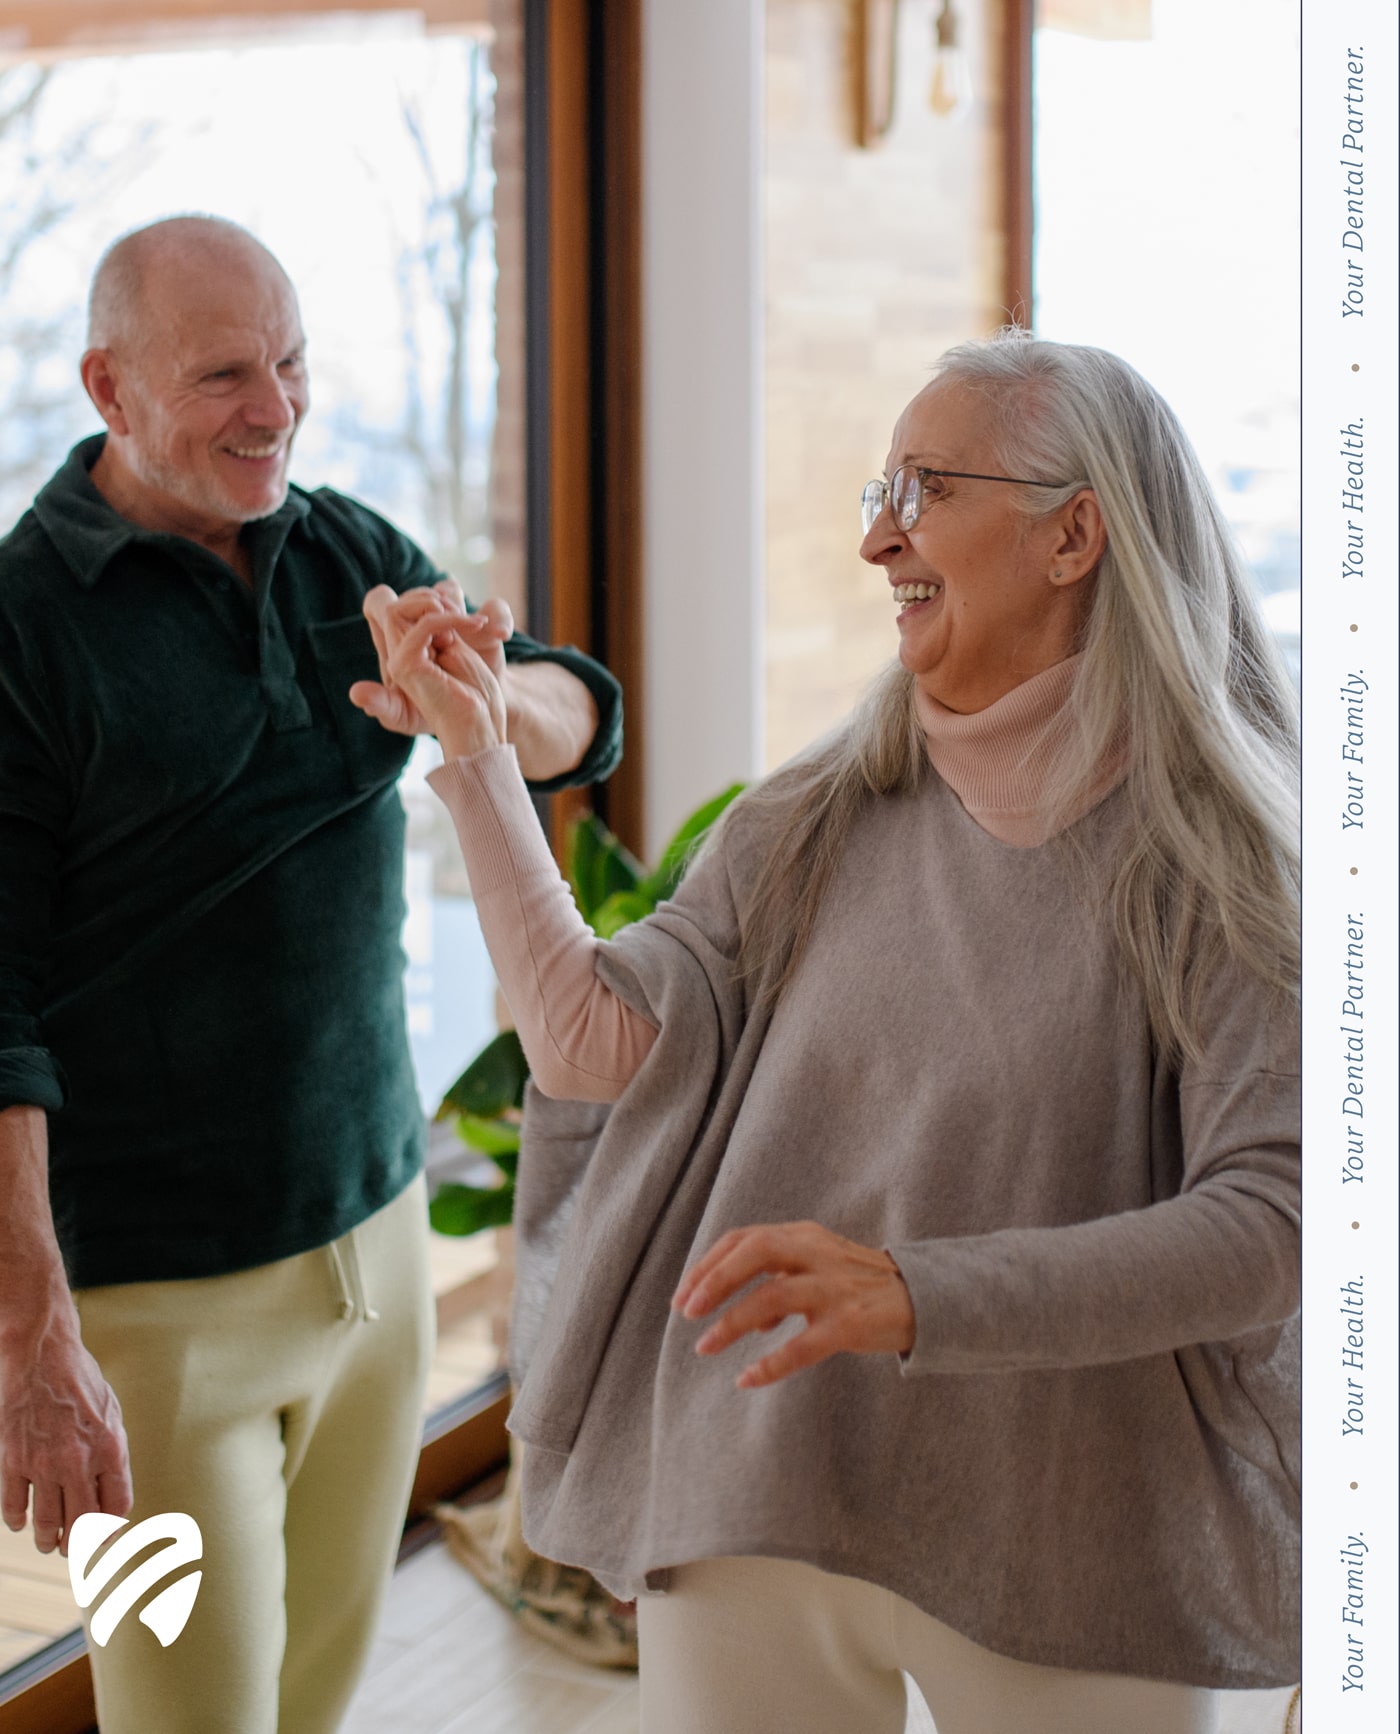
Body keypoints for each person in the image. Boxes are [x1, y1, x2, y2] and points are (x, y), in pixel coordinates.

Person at [366, 331, 1300, 1734]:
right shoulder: (815, 814)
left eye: (926, 489)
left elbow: (1273, 1224)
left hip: (1088, 1525)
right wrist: (481, 756)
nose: (882, 542)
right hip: (761, 1476)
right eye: (881, 494)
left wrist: (917, 1292)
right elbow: (594, 1045)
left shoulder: (1222, 864)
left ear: (1075, 533)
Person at [0, 215, 621, 1734]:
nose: (274, 408)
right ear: (107, 387)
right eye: (223, 373)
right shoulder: (22, 628)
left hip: (378, 1254)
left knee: (319, 1696)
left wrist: (481, 700)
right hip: (151, 1316)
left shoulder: (348, 548)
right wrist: (31, 1339)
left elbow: (578, 712)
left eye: (290, 363)